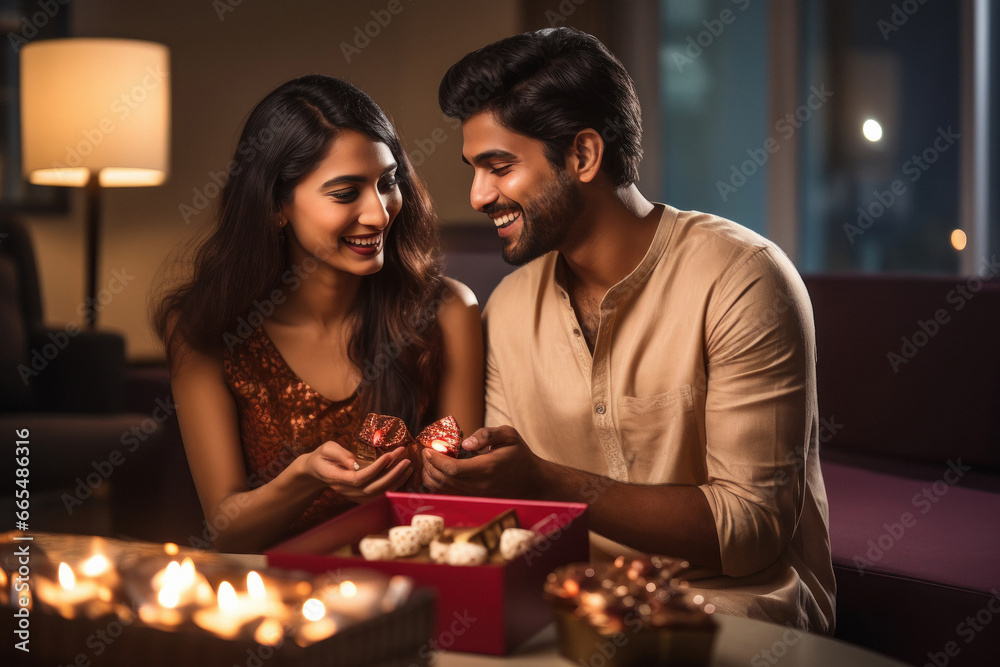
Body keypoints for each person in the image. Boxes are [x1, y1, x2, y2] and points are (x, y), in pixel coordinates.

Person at [423, 28, 836, 632]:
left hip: (731, 619)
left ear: (584, 156)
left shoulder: (744, 279)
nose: (479, 194)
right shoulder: (509, 307)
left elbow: (750, 532)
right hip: (566, 617)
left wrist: (545, 478)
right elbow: (512, 511)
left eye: (500, 166)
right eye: (475, 169)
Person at [153, 75, 483, 553]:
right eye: (346, 193)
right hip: (273, 599)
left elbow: (460, 504)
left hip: (410, 585)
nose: (379, 213)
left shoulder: (447, 310)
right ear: (276, 207)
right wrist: (305, 477)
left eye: (388, 182)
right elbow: (225, 529)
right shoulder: (203, 328)